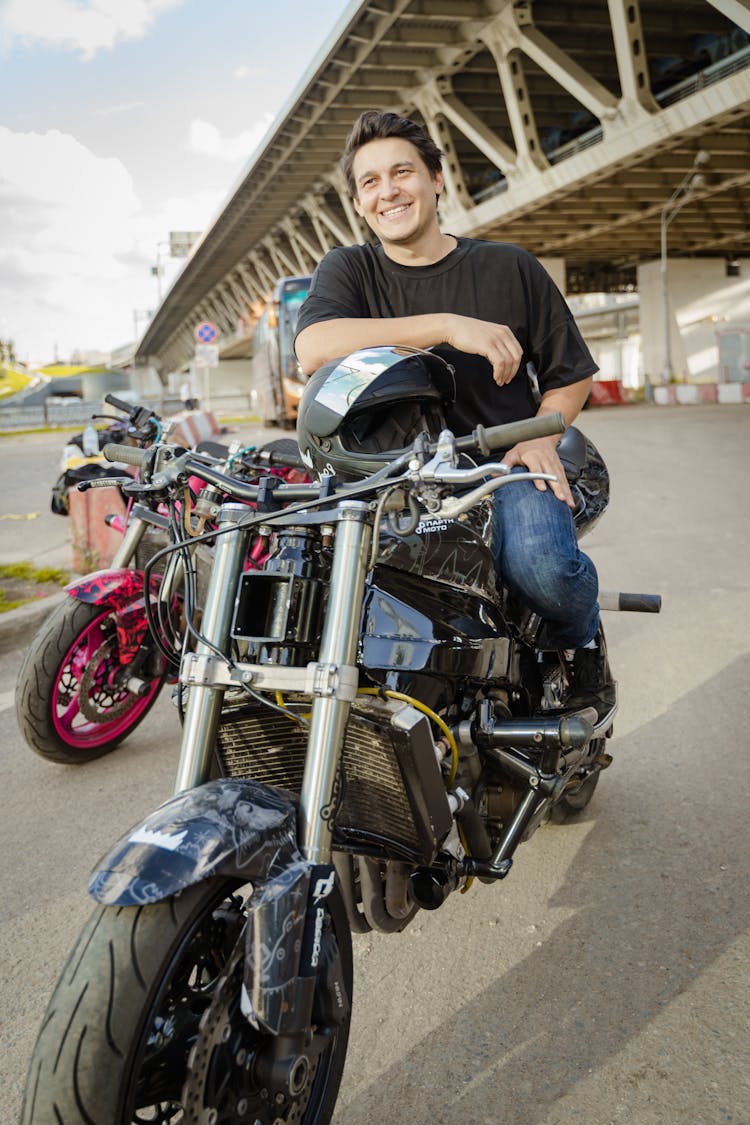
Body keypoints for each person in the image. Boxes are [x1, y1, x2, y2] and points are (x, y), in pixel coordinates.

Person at [294, 109, 614, 720]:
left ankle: (583, 642)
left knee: (543, 568)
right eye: (370, 182)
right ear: (361, 203)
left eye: (402, 172)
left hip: (500, 467)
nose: (388, 190)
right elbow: (313, 347)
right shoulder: (350, 269)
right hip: (387, 477)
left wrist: (544, 435)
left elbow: (571, 376)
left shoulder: (508, 267)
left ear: (437, 180)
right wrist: (446, 325)